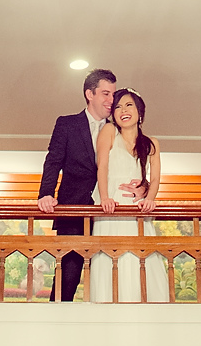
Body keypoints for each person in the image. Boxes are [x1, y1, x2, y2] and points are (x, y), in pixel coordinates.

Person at [37, 68, 136, 301]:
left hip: (110, 215)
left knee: (112, 275)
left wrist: (143, 186)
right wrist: (45, 194)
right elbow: (53, 161)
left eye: (113, 94)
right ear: (89, 94)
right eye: (105, 94)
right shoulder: (67, 124)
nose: (111, 100)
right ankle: (56, 320)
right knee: (67, 278)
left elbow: (133, 163)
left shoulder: (121, 129)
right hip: (73, 212)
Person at [88, 88, 168, 303]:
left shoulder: (151, 143)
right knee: (111, 256)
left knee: (138, 257)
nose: (123, 110)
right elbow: (102, 166)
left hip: (136, 208)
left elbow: (155, 177)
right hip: (111, 206)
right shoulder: (109, 131)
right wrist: (105, 197)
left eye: (128, 105)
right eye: (118, 107)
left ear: (139, 111)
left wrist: (149, 199)